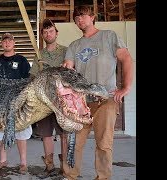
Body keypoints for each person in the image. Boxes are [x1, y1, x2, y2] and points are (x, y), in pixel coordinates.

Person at [62, 5, 134, 180]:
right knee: (73, 143)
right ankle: (70, 176)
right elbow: (68, 68)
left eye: (83, 16)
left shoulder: (109, 36)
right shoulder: (74, 45)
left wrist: (126, 87)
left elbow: (126, 59)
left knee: (103, 143)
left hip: (105, 100)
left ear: (92, 17)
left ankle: (102, 177)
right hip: (81, 103)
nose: (80, 20)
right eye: (76, 18)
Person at [29, 18, 70, 179]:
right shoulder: (39, 55)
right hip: (44, 101)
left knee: (64, 134)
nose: (48, 34)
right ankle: (49, 166)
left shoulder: (67, 51)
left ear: (56, 33)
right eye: (45, 32)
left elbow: (72, 73)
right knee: (46, 134)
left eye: (51, 31)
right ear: (42, 35)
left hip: (62, 101)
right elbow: (32, 76)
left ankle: (65, 167)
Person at [0, 32, 32, 175]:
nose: (7, 43)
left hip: (19, 103)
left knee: (21, 132)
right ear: (1, 43)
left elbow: (28, 81)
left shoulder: (22, 60)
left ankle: (23, 163)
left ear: (14, 43)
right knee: (0, 132)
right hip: (0, 103)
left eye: (9, 40)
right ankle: (3, 160)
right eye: (4, 41)